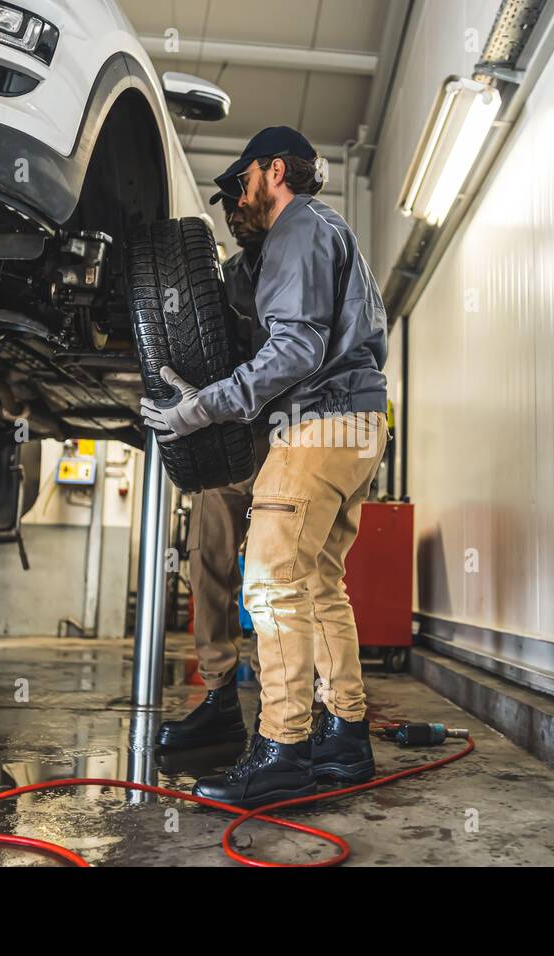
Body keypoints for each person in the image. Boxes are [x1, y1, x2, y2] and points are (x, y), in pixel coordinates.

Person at [140, 126, 389, 808]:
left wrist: (203, 408)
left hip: (320, 420)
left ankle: (281, 749)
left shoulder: (299, 227)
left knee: (273, 583)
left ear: (274, 170)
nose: (236, 199)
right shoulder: (306, 234)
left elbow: (296, 348)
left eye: (243, 180)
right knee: (318, 585)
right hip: (358, 423)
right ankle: (345, 735)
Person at [156, 195, 270, 750]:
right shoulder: (221, 277)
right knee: (208, 561)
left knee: (282, 577)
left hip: (286, 437)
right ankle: (221, 699)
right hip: (229, 439)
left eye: (245, 202)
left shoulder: (300, 261)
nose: (237, 213)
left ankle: (300, 712)